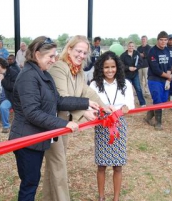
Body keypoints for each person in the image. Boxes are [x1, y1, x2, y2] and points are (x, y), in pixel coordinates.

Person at [9, 36, 100, 201]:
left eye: (54, 55)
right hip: (26, 139)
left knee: (32, 182)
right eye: (50, 56)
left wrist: (86, 102)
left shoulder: (42, 74)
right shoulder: (28, 77)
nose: (53, 59)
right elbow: (32, 113)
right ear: (37, 55)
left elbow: (59, 101)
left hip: (36, 138)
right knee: (29, 185)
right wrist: (64, 123)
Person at [42, 35, 106, 201]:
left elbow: (86, 92)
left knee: (54, 166)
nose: (81, 55)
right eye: (78, 51)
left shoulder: (78, 72)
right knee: (59, 166)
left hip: (64, 124)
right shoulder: (59, 68)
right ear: (69, 49)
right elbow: (62, 99)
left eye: (85, 52)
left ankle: (49, 198)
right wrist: (83, 111)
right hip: (52, 123)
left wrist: (104, 106)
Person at [90, 51, 135, 201]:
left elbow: (130, 106)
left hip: (119, 127)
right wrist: (102, 110)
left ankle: (116, 198)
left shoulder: (126, 84)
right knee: (101, 165)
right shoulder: (95, 84)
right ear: (100, 68)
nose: (110, 70)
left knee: (118, 165)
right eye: (106, 67)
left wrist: (123, 109)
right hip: (102, 126)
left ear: (118, 67)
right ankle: (101, 197)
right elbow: (91, 107)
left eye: (113, 67)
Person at [145, 31, 172, 130]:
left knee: (164, 101)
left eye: (165, 40)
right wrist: (168, 76)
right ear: (158, 40)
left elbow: (170, 65)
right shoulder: (152, 51)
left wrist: (168, 78)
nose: (163, 42)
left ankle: (149, 114)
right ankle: (158, 123)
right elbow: (156, 69)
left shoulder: (167, 51)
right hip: (154, 79)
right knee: (158, 100)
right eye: (161, 40)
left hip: (164, 80)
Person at [120, 41, 146, 107]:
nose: (131, 47)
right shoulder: (123, 55)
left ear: (134, 47)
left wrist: (136, 67)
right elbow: (121, 66)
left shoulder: (137, 53)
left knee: (138, 88)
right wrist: (128, 68)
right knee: (126, 90)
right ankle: (125, 104)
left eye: (132, 46)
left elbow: (141, 62)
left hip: (135, 74)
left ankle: (142, 103)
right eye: (130, 46)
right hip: (126, 75)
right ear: (127, 47)